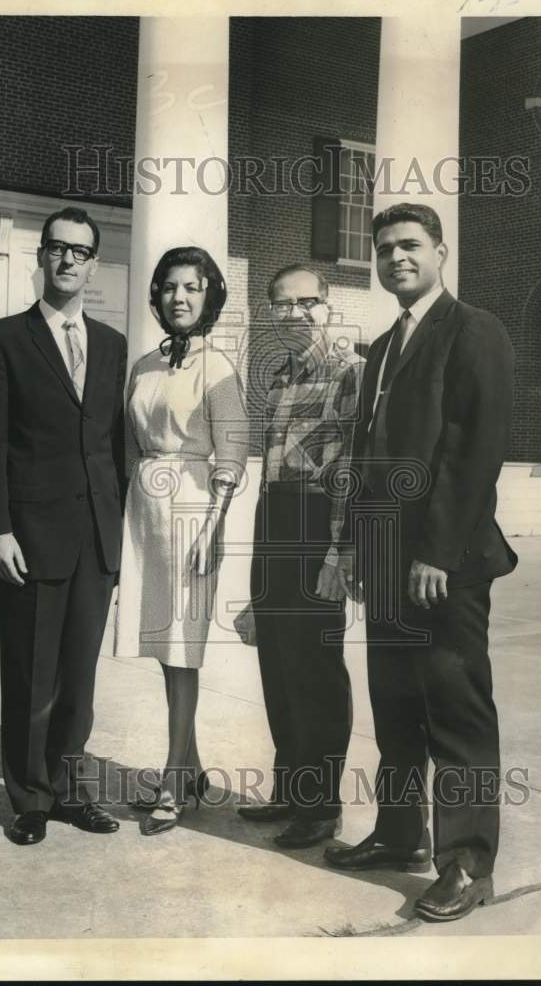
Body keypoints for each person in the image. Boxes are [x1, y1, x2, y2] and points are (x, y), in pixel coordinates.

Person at [324, 203, 517, 923]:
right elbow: (368, 460)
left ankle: (466, 864)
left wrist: (435, 552)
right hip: (384, 558)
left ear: (440, 252)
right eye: (384, 249)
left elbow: (473, 452)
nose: (395, 258)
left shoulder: (475, 332)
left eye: (409, 245)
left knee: (455, 710)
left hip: (446, 563)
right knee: (396, 707)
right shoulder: (380, 348)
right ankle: (399, 833)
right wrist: (351, 548)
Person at [0, 206, 126, 846]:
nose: (67, 260)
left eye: (80, 252)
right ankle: (29, 798)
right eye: (57, 249)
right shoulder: (2, 340)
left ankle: (69, 792)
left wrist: (117, 532)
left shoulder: (113, 345)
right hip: (29, 539)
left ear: (94, 262)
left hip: (94, 538)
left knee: (79, 681)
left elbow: (113, 446)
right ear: (42, 256)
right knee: (31, 677)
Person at [114, 246, 248, 836]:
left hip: (193, 510)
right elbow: (126, 443)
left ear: (208, 295)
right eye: (169, 287)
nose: (179, 298)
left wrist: (212, 528)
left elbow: (233, 453)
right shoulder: (143, 364)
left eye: (192, 287)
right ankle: (189, 768)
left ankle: (173, 778)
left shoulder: (217, 366)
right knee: (163, 648)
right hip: (144, 510)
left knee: (183, 647)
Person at [236, 266, 365, 849]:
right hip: (276, 521)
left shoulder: (350, 371)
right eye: (284, 306)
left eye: (307, 303)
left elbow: (350, 471)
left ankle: (321, 806)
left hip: (319, 526)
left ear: (327, 304)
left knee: (315, 671)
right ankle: (289, 788)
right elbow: (270, 474)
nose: (297, 314)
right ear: (270, 314)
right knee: (279, 664)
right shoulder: (279, 377)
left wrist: (340, 551)